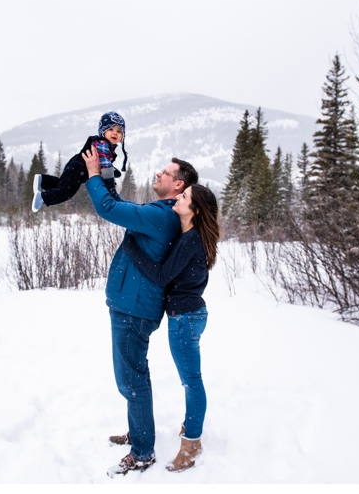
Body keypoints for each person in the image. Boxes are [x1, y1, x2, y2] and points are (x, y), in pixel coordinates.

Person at [81, 145, 199, 477]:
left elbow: (108, 208)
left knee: (132, 379)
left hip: (134, 309)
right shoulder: (161, 212)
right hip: (131, 305)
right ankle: (139, 431)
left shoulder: (162, 216)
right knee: (130, 376)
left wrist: (92, 174)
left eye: (166, 171)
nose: (159, 173)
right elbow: (119, 203)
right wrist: (106, 173)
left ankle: (143, 451)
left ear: (178, 185)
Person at [121, 184, 219, 473]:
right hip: (189, 315)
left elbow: (162, 275)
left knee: (191, 381)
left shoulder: (191, 239)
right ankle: (190, 427)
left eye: (185, 197)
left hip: (185, 319)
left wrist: (132, 248)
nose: (178, 197)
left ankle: (192, 444)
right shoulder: (191, 236)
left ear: (195, 210)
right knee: (191, 379)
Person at [31, 111, 128, 212]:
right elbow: (105, 164)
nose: (115, 133)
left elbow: (104, 162)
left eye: (119, 131)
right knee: (66, 192)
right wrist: (110, 184)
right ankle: (43, 198)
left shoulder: (102, 144)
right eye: (111, 129)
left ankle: (42, 180)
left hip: (76, 164)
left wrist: (111, 170)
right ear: (102, 131)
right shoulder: (103, 144)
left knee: (62, 184)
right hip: (79, 168)